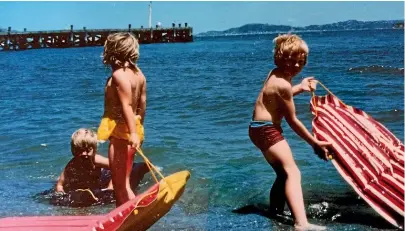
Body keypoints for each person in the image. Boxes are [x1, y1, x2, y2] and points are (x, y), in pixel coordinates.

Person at [248, 34, 332, 230]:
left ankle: (275, 211)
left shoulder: (275, 74)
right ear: (279, 58)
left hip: (257, 128)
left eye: (300, 62)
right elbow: (293, 121)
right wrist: (315, 143)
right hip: (267, 130)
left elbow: (276, 96)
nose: (296, 66)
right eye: (291, 61)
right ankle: (301, 223)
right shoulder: (284, 84)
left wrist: (300, 88)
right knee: (293, 172)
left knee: (282, 173)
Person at [97, 32, 147, 206]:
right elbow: (142, 104)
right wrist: (137, 131)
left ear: (112, 51)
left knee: (119, 185)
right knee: (124, 182)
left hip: (121, 132)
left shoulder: (119, 75)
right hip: (134, 127)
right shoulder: (139, 74)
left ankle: (126, 217)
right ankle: (133, 211)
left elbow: (125, 105)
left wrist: (132, 133)